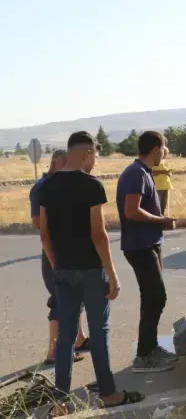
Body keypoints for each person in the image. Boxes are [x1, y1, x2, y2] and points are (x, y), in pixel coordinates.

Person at [38, 131, 144, 416]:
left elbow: (45, 235)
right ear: (85, 154)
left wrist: (56, 263)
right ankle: (109, 393)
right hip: (91, 271)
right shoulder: (91, 186)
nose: (95, 161)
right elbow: (99, 235)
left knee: (66, 337)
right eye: (95, 155)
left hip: (63, 270)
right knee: (99, 332)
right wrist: (112, 273)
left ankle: (61, 402)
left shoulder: (47, 186)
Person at [116, 131, 178, 373]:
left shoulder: (142, 172)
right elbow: (131, 211)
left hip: (148, 243)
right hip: (139, 245)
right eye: (164, 147)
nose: (166, 152)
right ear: (155, 149)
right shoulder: (135, 174)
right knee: (156, 297)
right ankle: (144, 356)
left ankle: (149, 348)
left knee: (152, 298)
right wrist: (161, 220)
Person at [30, 149, 91, 365]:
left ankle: (79, 339)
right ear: (55, 164)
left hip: (68, 251)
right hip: (54, 253)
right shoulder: (42, 188)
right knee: (60, 299)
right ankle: (54, 351)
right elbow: (40, 225)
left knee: (75, 297)